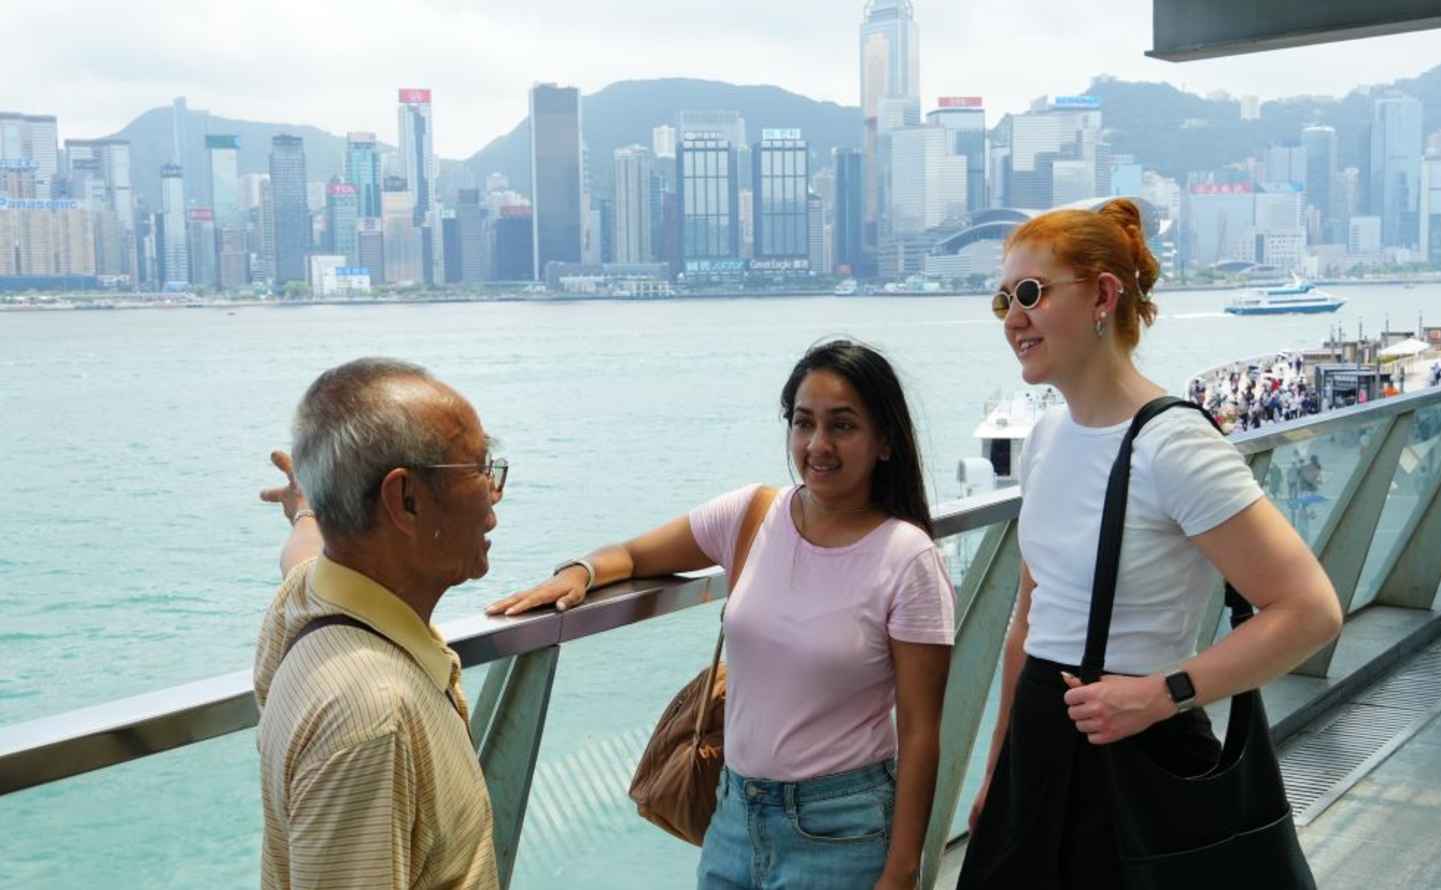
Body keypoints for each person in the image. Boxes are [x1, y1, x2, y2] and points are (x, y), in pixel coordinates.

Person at [958, 199, 1343, 887]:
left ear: (1104, 294)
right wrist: (997, 769)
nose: (1012, 318)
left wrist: (1163, 695)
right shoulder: (1046, 439)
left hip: (1135, 752)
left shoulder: (1174, 445)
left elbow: (1310, 610)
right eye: (1001, 300)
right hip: (1039, 750)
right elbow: (1030, 617)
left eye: (1029, 293)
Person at [487, 340, 955, 890]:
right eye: (803, 423)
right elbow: (636, 556)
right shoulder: (754, 514)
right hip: (734, 817)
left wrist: (902, 869)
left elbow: (921, 732)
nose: (818, 445)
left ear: (884, 441)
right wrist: (580, 574)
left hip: (842, 828)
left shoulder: (907, 558)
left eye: (843, 426)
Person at [254, 358, 506, 890]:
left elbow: (302, 555)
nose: (493, 494)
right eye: (478, 469)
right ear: (406, 500)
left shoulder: (308, 599)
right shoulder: (371, 716)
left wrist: (308, 509)